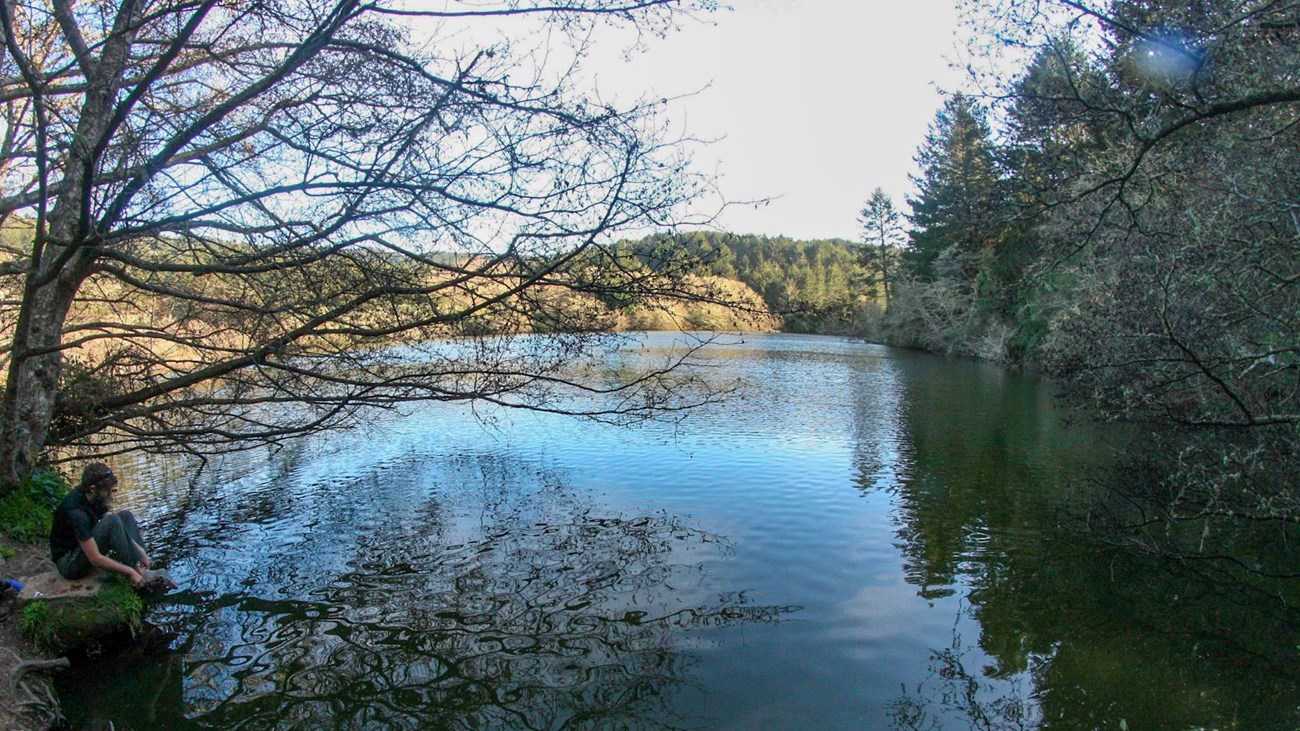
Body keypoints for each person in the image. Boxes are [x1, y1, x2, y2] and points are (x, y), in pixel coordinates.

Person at [49, 462, 175, 590]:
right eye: (107, 491)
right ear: (93, 488)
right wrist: (129, 572)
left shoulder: (93, 497)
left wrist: (139, 550)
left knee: (125, 516)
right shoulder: (76, 513)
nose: (110, 495)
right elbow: (95, 559)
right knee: (113, 521)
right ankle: (139, 573)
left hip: (81, 550)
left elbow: (113, 521)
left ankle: (140, 567)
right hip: (70, 563)